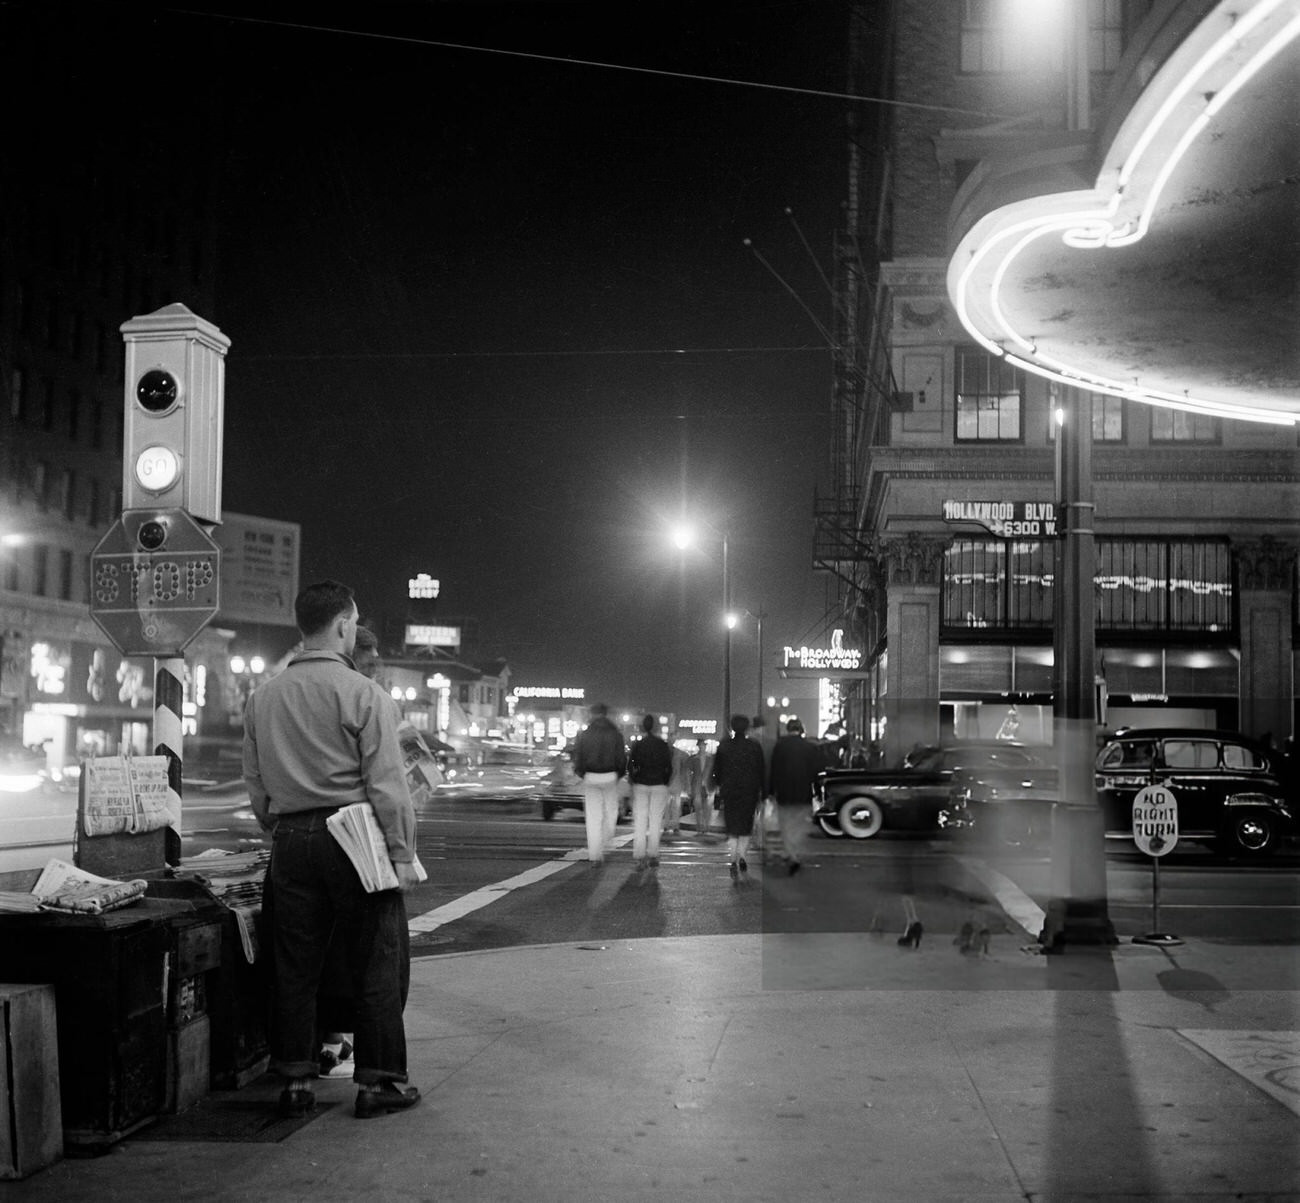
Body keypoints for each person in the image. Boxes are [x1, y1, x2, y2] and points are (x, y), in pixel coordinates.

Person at [243, 581, 422, 1120]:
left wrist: (279, 826)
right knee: (375, 960)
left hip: (291, 839)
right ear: (344, 625)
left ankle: (295, 1080)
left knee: (294, 964)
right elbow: (388, 786)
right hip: (356, 837)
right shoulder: (366, 696)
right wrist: (402, 852)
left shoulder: (263, 697)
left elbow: (256, 784)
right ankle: (378, 1084)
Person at [710, 714, 766, 880]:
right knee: (746, 824)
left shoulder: (724, 746)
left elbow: (717, 771)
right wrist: (763, 791)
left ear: (732, 727)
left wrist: (718, 785)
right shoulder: (754, 746)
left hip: (730, 790)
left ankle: (733, 858)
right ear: (747, 728)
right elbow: (761, 770)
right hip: (749, 791)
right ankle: (742, 856)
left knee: (732, 825)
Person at [571, 702, 627, 863]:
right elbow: (621, 758)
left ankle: (595, 855)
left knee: (593, 817)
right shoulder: (616, 734)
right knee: (611, 812)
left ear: (592, 714)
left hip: (591, 776)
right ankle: (606, 838)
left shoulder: (585, 734)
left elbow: (578, 757)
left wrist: (582, 773)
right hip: (610, 775)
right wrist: (618, 773)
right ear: (606, 714)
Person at [767, 718, 824, 875]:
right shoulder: (810, 748)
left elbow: (774, 770)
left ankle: (791, 854)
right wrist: (818, 793)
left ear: (788, 729)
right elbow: (816, 774)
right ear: (801, 730)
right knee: (800, 825)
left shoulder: (780, 746)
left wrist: (771, 792)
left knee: (785, 826)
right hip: (803, 793)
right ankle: (794, 853)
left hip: (784, 794)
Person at [627, 713, 673, 869]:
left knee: (640, 821)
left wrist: (634, 779)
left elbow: (631, 765)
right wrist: (664, 781)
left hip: (641, 784)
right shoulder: (662, 745)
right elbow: (668, 766)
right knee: (655, 821)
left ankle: (639, 856)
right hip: (659, 785)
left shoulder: (639, 745)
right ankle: (653, 854)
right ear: (656, 727)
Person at [688, 738, 714, 837]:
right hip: (697, 785)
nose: (702, 747)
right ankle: (700, 828)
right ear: (698, 746)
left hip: (708, 786)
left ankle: (706, 828)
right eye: (701, 745)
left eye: (704, 745)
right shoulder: (694, 759)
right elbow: (688, 772)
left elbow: (715, 772)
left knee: (707, 808)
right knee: (698, 808)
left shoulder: (711, 759)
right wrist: (689, 785)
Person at [666, 740, 691, 836]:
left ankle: (670, 825)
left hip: (672, 783)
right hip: (674, 782)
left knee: (670, 805)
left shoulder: (677, 754)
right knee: (673, 805)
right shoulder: (679, 754)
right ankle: (673, 825)